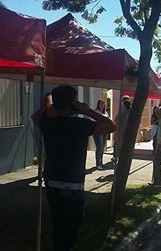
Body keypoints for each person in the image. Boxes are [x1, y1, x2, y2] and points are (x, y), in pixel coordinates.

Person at [31, 85, 116, 251]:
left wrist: (50, 106)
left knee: (58, 228)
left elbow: (35, 116)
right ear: (72, 104)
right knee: (70, 230)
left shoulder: (48, 123)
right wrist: (87, 111)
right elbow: (111, 126)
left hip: (52, 181)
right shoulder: (80, 124)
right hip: (72, 184)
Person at [112, 97, 131, 163]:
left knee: (118, 146)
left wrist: (115, 132)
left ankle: (117, 158)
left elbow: (116, 121)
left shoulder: (122, 112)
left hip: (121, 132)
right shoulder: (131, 113)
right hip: (128, 132)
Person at [93, 99, 110, 170]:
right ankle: (97, 164)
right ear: (98, 104)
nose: (102, 105)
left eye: (103, 103)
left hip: (104, 131)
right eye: (100, 104)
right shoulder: (96, 112)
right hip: (98, 131)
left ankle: (101, 162)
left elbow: (108, 119)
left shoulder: (105, 112)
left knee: (102, 147)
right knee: (99, 147)